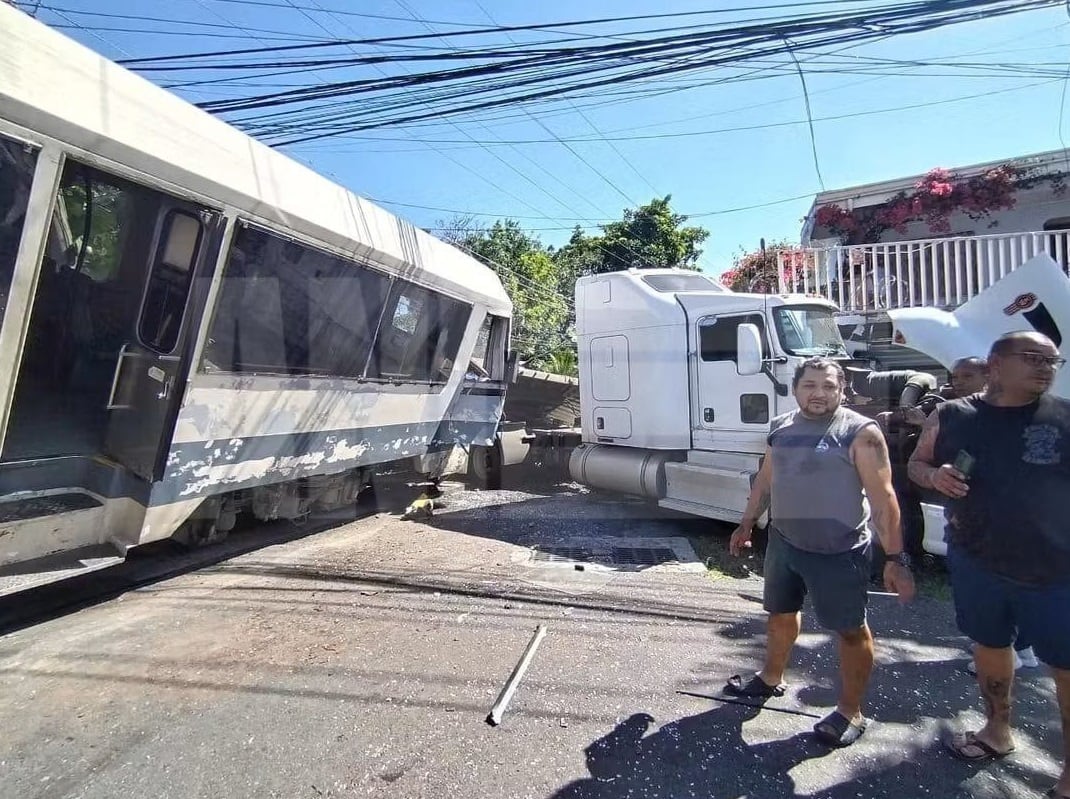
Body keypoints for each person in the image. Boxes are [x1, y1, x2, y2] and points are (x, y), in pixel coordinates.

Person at [907, 331, 1070, 797]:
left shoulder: (1065, 417)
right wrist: (935, 475)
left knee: (1066, 667)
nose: (1045, 367)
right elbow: (917, 464)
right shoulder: (953, 415)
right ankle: (998, 731)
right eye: (1033, 358)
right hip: (978, 561)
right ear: (996, 364)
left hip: (1056, 569)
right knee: (990, 645)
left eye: (1052, 360)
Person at [725, 357, 916, 748]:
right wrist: (746, 523)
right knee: (779, 614)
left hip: (839, 551)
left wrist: (897, 559)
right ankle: (770, 678)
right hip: (784, 542)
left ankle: (850, 712)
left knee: (849, 631)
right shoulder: (780, 428)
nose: (819, 393)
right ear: (795, 389)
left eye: (829, 386)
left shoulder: (860, 433)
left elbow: (884, 499)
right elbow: (765, 480)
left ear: (842, 390)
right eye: (810, 385)